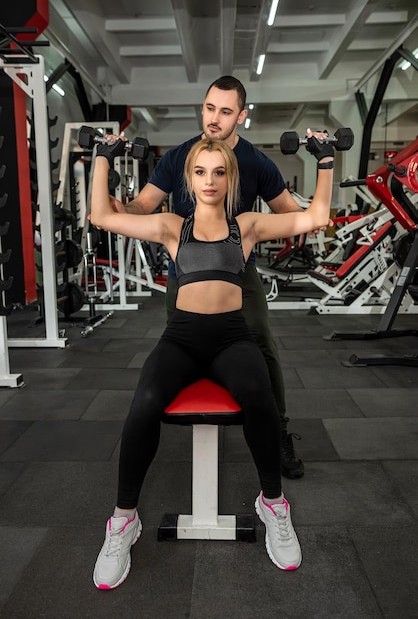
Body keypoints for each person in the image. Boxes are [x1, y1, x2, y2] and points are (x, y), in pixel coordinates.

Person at [90, 132, 334, 589]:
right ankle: (123, 520)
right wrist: (102, 157)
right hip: (180, 339)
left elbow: (317, 215)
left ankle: (273, 503)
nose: (209, 180)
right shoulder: (170, 225)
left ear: (230, 177)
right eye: (201, 172)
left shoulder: (249, 225)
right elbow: (100, 215)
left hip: (230, 339)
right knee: (144, 401)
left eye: (219, 172)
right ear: (189, 176)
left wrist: (324, 161)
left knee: (260, 396)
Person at [108, 76, 325, 479]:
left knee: (262, 342)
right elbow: (144, 204)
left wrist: (313, 207)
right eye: (209, 108)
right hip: (185, 272)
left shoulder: (257, 164)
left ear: (241, 116)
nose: (214, 118)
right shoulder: (178, 159)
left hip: (239, 271)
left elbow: (285, 212)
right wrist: (123, 211)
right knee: (181, 350)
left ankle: (277, 432)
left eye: (226, 111)